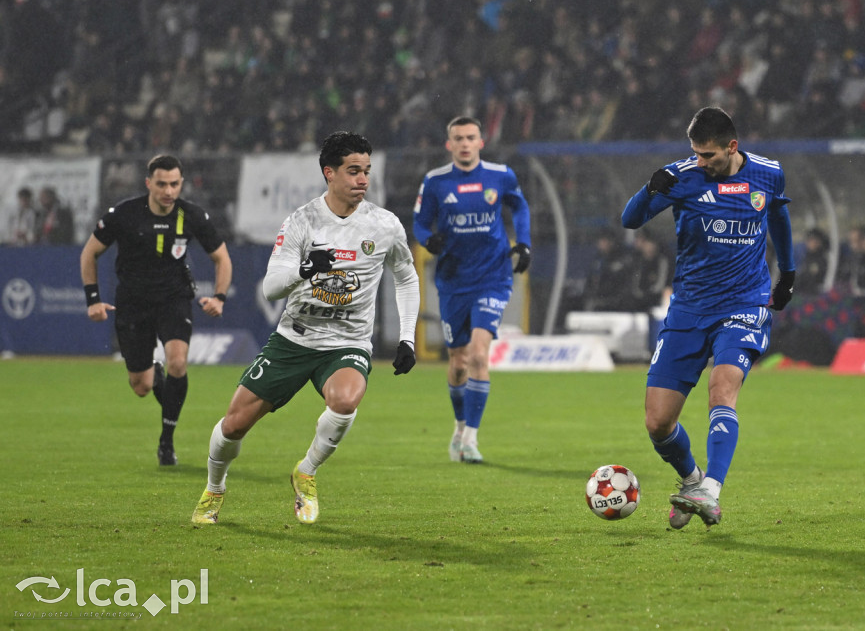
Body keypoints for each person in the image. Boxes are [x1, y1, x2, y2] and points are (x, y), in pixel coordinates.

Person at [191, 131, 419, 525]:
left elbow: (406, 277)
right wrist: (306, 269)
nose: (363, 179)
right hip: (293, 339)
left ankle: (307, 471)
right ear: (329, 173)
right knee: (233, 426)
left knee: (346, 400)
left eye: (366, 171)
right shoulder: (302, 221)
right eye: (353, 171)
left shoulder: (385, 225)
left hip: (347, 341)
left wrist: (407, 337)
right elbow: (271, 285)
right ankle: (215, 488)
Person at [621, 106, 795, 529]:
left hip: (745, 303)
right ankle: (692, 480)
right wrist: (649, 190)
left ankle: (712, 489)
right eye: (695, 153)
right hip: (690, 307)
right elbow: (631, 220)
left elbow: (777, 214)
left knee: (722, 388)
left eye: (709, 156)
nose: (700, 162)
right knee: (658, 422)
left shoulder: (768, 173)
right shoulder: (681, 176)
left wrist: (787, 273)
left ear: (732, 147)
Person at [80, 155, 232, 466]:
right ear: (149, 183)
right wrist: (93, 299)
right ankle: (156, 376)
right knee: (141, 387)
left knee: (178, 362)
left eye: (174, 184)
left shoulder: (191, 215)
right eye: (161, 184)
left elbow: (222, 258)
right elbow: (89, 253)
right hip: (133, 304)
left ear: (181, 184)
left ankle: (166, 440)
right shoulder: (124, 214)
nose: (168, 190)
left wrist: (219, 297)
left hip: (173, 300)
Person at [413, 116, 531, 464]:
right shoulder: (435, 182)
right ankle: (460, 426)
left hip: (493, 275)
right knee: (459, 362)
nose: (465, 143)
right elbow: (420, 222)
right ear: (449, 144)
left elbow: (519, 205)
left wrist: (522, 243)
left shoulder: (501, 175)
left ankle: (471, 439)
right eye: (458, 138)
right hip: (453, 280)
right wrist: (428, 240)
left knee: (480, 355)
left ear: (481, 142)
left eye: (471, 137)